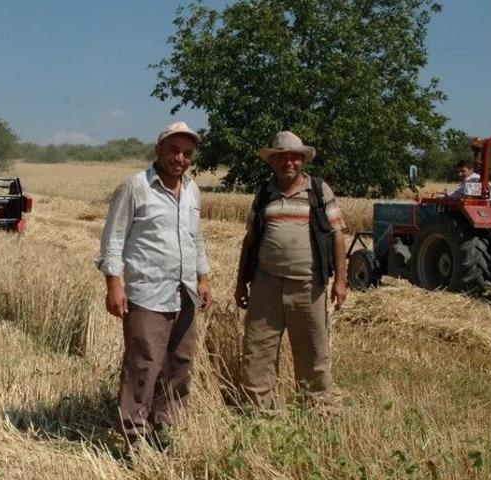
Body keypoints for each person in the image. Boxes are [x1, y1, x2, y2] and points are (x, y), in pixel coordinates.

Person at [96, 121, 212, 448]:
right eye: (174, 150)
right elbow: (113, 239)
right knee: (143, 366)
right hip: (147, 294)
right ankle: (133, 438)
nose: (180, 158)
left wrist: (203, 277)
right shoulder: (135, 188)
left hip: (184, 293)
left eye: (187, 153)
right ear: (159, 149)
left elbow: (196, 238)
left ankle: (165, 430)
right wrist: (114, 285)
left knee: (179, 366)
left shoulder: (192, 190)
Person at [233, 130, 347, 412]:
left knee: (313, 350)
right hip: (265, 285)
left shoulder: (319, 191)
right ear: (272, 161)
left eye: (294, 157)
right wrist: (241, 283)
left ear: (302, 161)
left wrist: (341, 281)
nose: (289, 163)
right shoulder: (264, 194)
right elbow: (250, 240)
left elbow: (338, 235)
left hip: (308, 286)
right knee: (258, 349)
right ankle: (259, 410)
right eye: (282, 157)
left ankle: (318, 409)